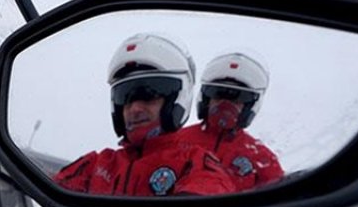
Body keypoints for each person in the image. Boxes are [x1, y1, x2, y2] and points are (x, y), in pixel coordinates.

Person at [54, 33, 235, 196]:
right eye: (126, 99)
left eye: (148, 97)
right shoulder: (96, 165)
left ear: (175, 102)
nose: (134, 109)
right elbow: (47, 200)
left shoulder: (195, 163)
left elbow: (210, 195)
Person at [175, 52, 284, 191]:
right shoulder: (176, 141)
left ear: (248, 107)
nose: (225, 105)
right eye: (218, 94)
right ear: (206, 100)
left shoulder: (262, 159)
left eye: (238, 98)